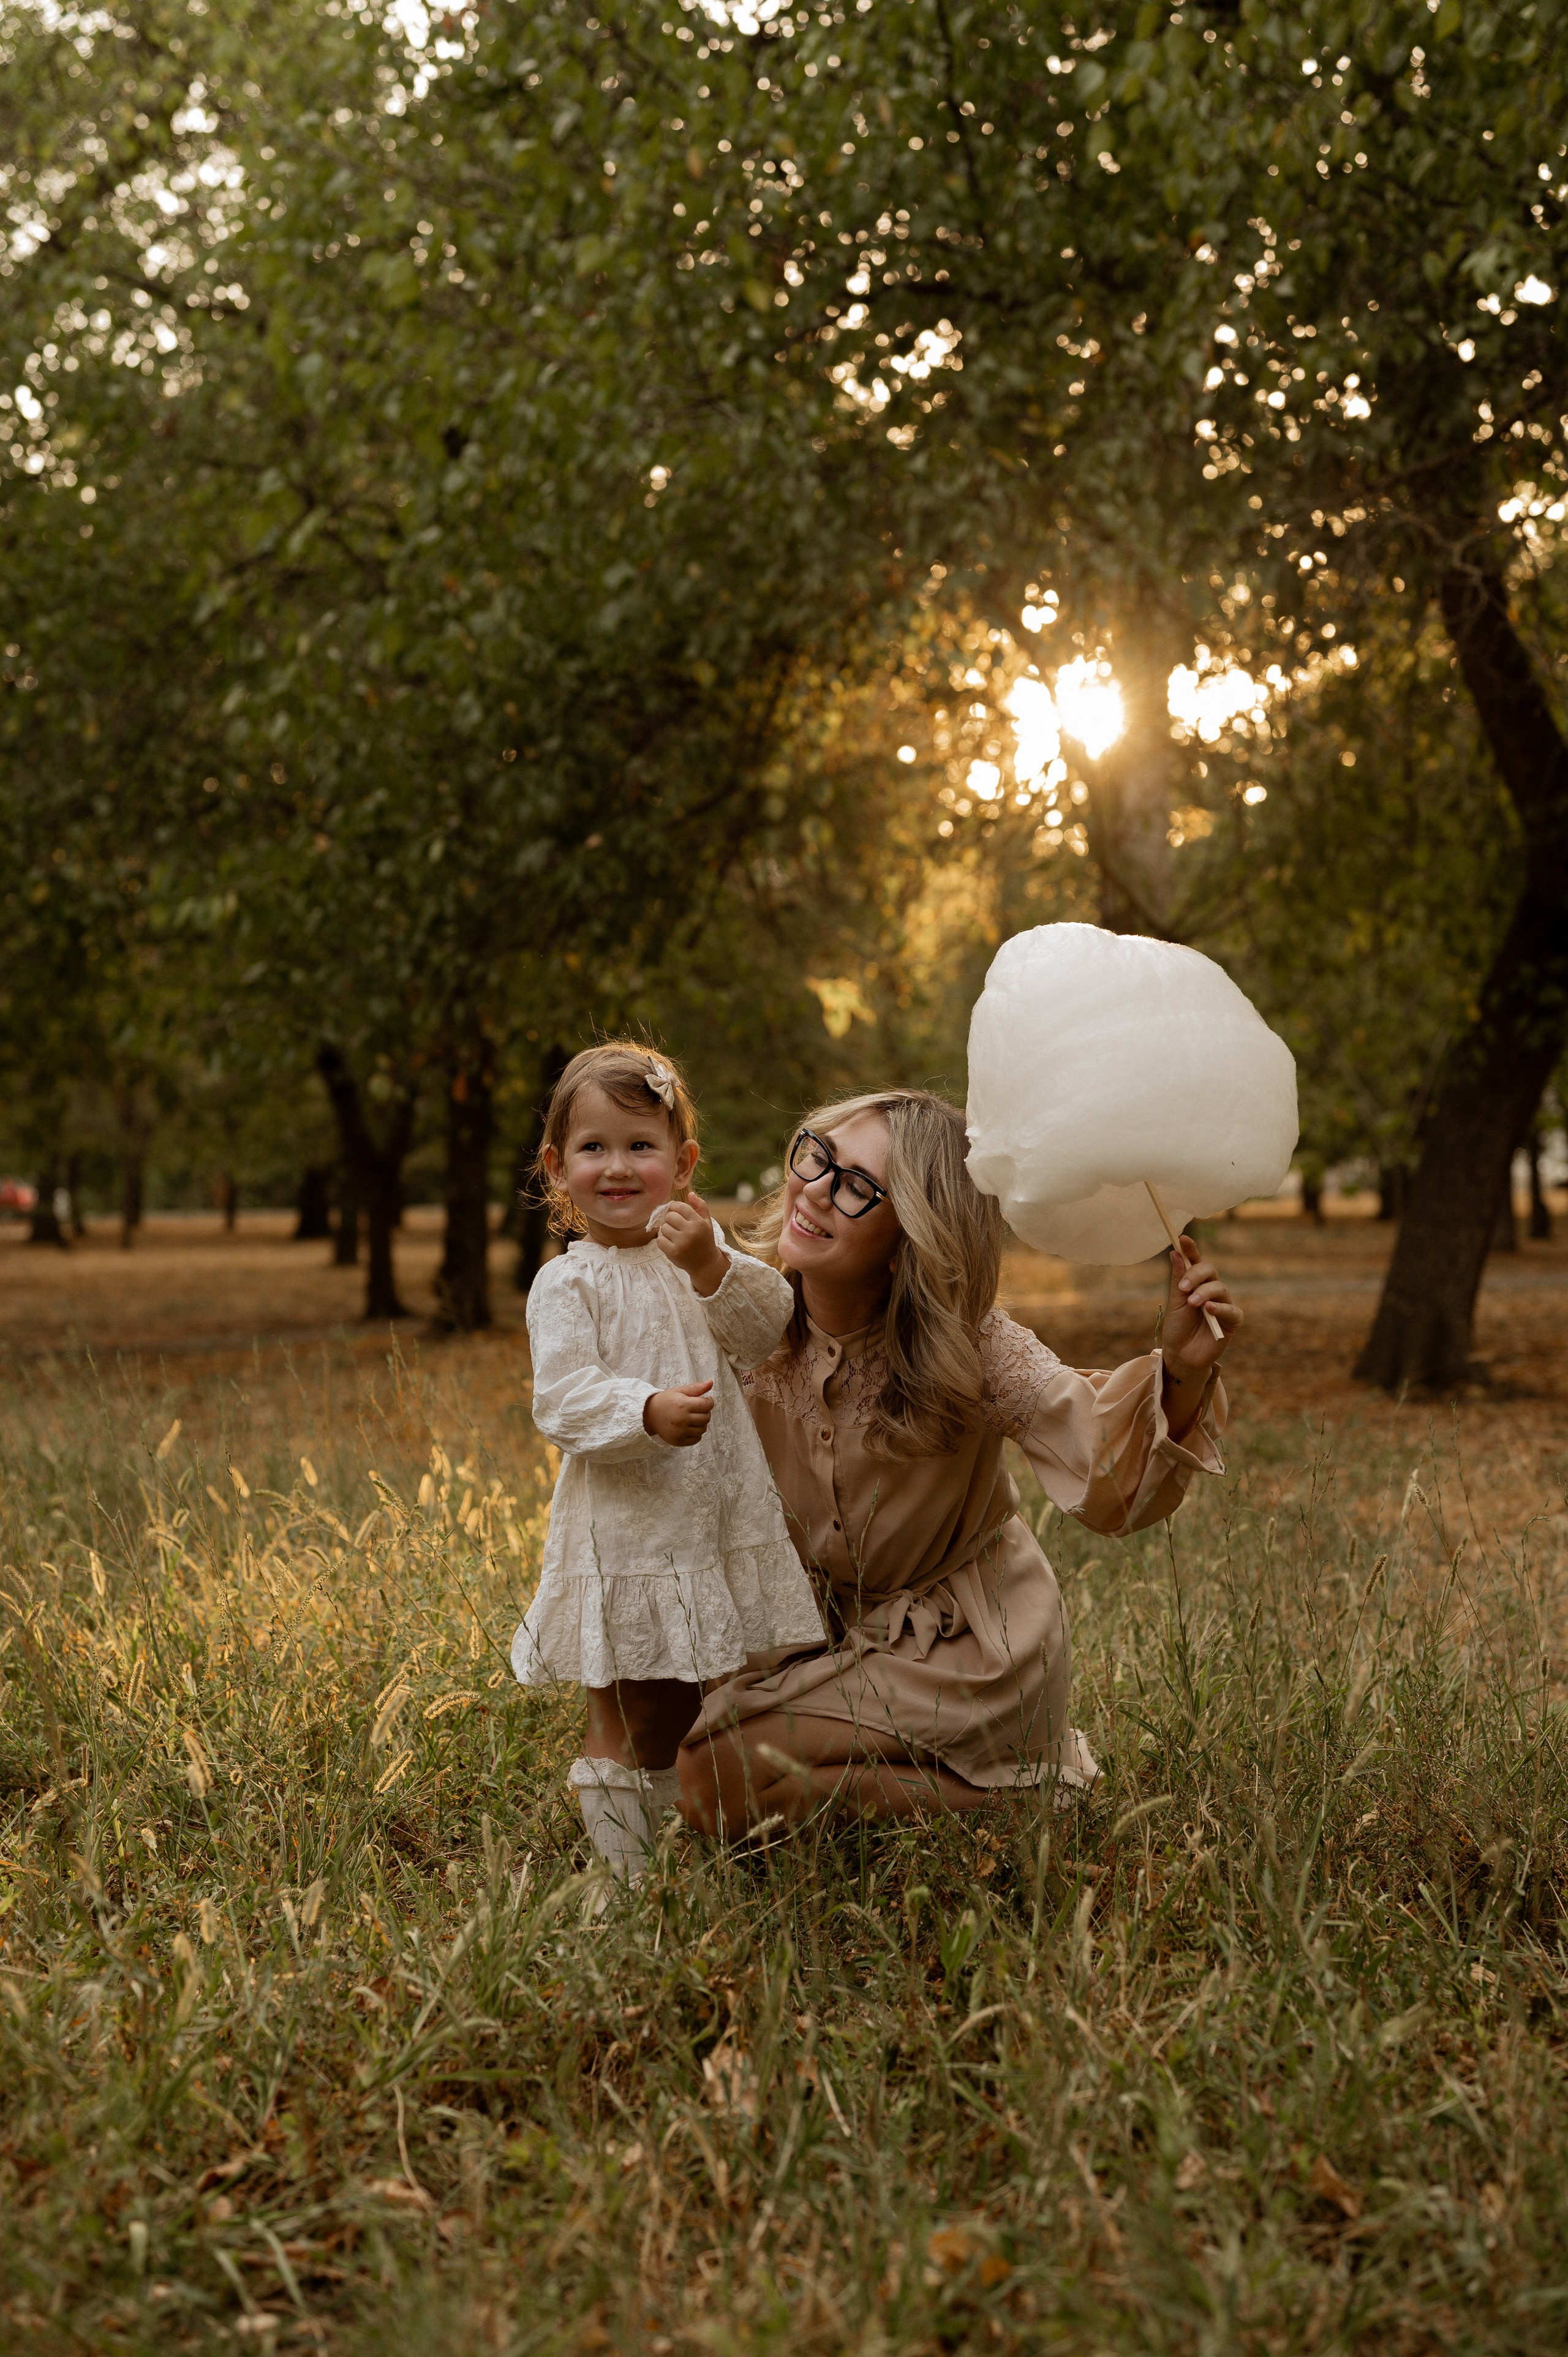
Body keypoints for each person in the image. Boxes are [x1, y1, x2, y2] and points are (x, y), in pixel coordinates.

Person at [678, 1089, 1238, 1830]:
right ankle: (935, 1786)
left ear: (911, 1232)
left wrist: (1186, 1371)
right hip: (812, 1633)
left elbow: (1107, 1475)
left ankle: (1031, 1800)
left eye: (856, 1187)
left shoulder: (969, 1345)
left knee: (714, 1771)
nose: (813, 1189)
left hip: (967, 1645)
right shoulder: (741, 1309)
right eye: (817, 1155)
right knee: (701, 1767)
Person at [511, 1043, 823, 1877]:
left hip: (710, 1513)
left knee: (690, 1694)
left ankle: (690, 1839)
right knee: (625, 1702)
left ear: (683, 1165)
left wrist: (711, 1263)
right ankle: (623, 1880)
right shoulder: (568, 1286)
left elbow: (769, 1330)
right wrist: (643, 1411)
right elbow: (564, 1397)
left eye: (641, 1146)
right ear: (557, 1166)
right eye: (594, 1148)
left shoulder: (697, 1252)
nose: (618, 1167)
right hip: (625, 1527)